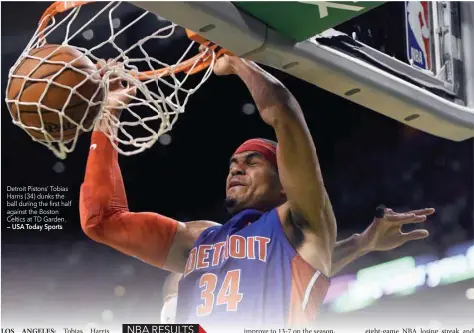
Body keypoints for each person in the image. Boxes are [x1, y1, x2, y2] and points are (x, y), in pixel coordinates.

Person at [80, 55, 434, 329]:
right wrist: (107, 116)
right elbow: (102, 221)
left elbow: (283, 112)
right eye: (233, 163)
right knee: (172, 291)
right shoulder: (198, 239)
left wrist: (238, 60)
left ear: (285, 184)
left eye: (252, 162)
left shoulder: (301, 224)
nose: (236, 168)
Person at [160, 204, 434, 324]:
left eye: (252, 162)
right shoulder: (206, 237)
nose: (237, 171)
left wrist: (362, 243)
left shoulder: (277, 242)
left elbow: (295, 270)